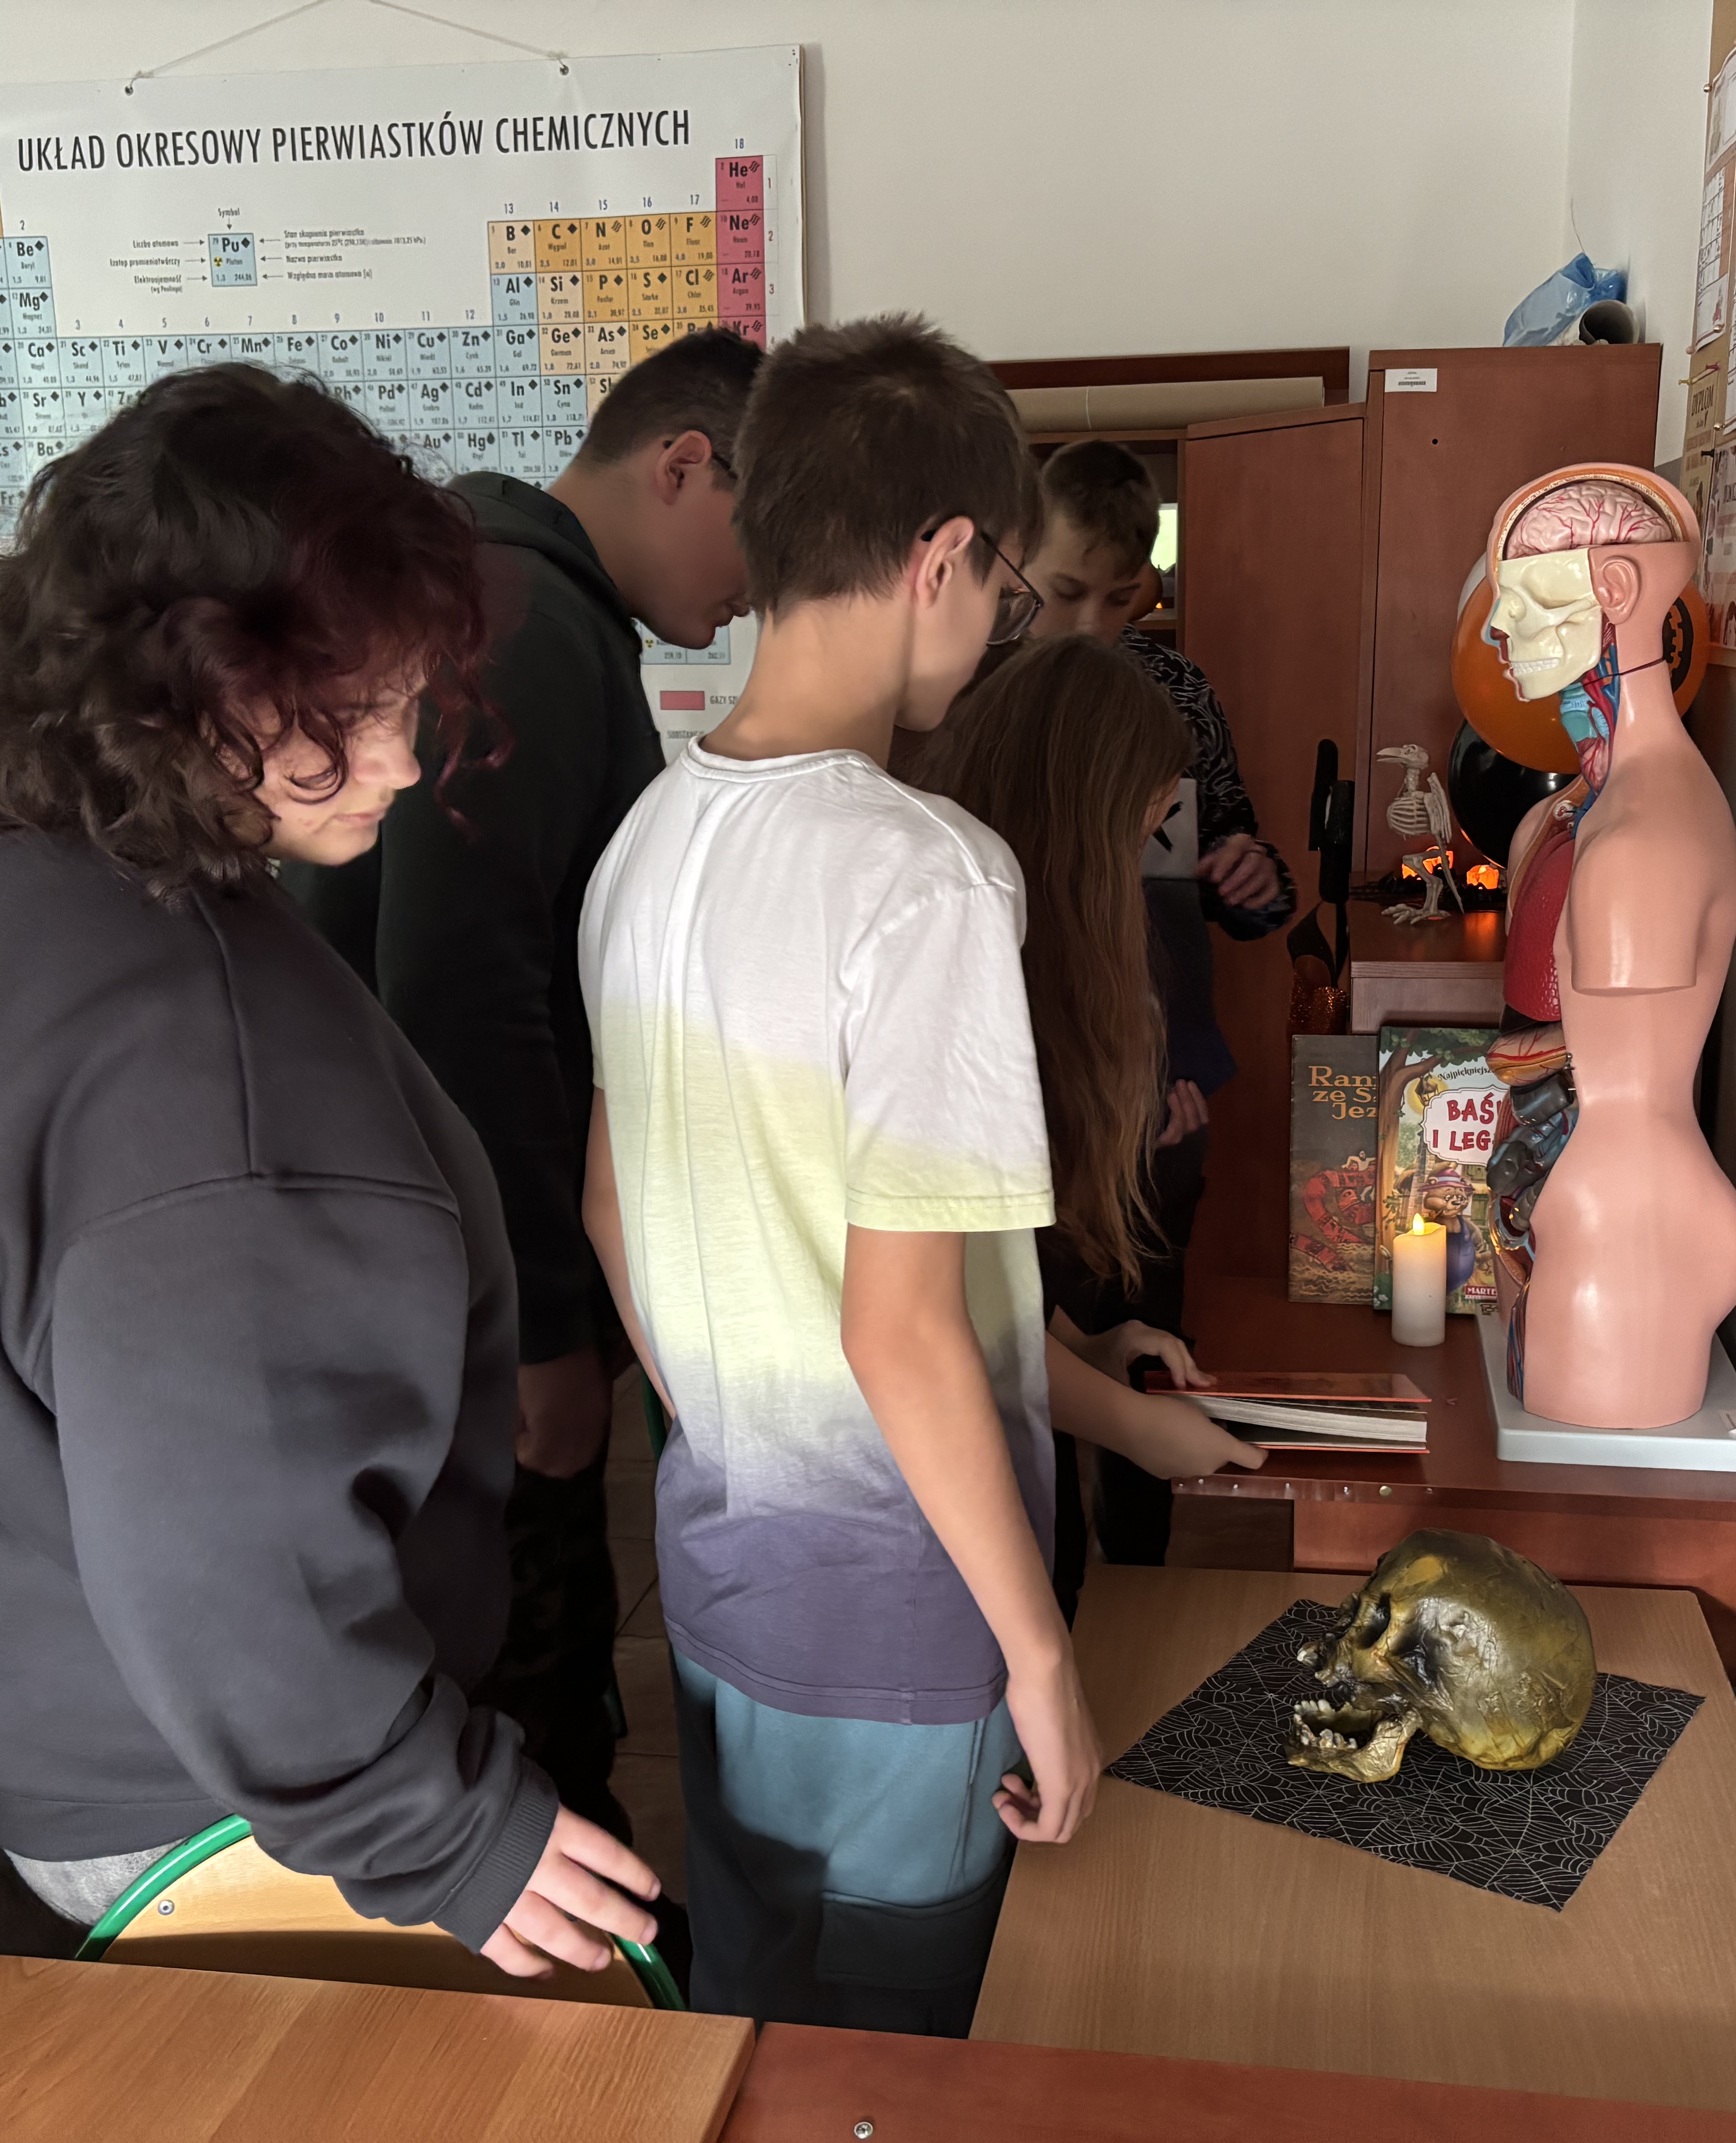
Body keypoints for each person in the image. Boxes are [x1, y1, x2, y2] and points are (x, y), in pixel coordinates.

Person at [0, 364, 659, 1976]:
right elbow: (236, 1563)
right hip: (187, 1791)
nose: (405, 760)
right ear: (195, 686)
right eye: (357, 712)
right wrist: (445, 1828)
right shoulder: (207, 1080)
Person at [580, 315, 1092, 2033]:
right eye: (1004, 583)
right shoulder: (926, 876)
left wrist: (741, 1422)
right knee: (899, 2060)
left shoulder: (645, 843)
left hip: (726, 1573)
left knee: (759, 2022)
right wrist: (1040, 1655)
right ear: (943, 556)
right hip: (905, 1618)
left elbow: (609, 1205)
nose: (994, 622)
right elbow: (902, 1329)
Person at [285, 327, 762, 1852]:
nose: (760, 590)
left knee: (513, 1649)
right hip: (455, 1277)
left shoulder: (515, 600)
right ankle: (572, 1965)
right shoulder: (529, 623)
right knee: (521, 1671)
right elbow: (463, 996)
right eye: (764, 533)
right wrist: (545, 1324)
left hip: (426, 1254)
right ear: (684, 463)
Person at [900, 634, 1269, 1618]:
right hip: (932, 1490)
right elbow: (947, 1310)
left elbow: (1001, 1273)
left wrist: (1088, 1345)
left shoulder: (1045, 953)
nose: (1146, 857)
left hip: (1001, 1413)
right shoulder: (969, 965)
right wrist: (1135, 1429)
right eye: (1140, 827)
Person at [1014, 439, 1297, 1564]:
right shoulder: (982, 698)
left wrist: (1252, 879)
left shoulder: (1176, 691)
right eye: (1064, 593)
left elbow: (1239, 856)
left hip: (1168, 1085)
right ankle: (1049, 1591)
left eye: (1120, 598)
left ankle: (1141, 1582)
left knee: (1146, 1350)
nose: (1092, 625)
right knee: (1024, 1364)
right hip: (1036, 1095)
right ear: (1017, 563)